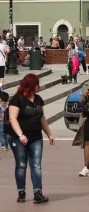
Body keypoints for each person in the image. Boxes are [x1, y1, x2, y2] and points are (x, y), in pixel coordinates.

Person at [7, 73, 56, 204]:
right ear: (31, 85)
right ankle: (21, 192)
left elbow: (42, 118)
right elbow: (12, 118)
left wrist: (49, 134)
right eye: (37, 84)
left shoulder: (39, 99)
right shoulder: (16, 99)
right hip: (18, 138)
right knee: (21, 165)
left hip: (36, 137)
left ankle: (38, 193)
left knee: (36, 165)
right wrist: (20, 135)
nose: (38, 86)